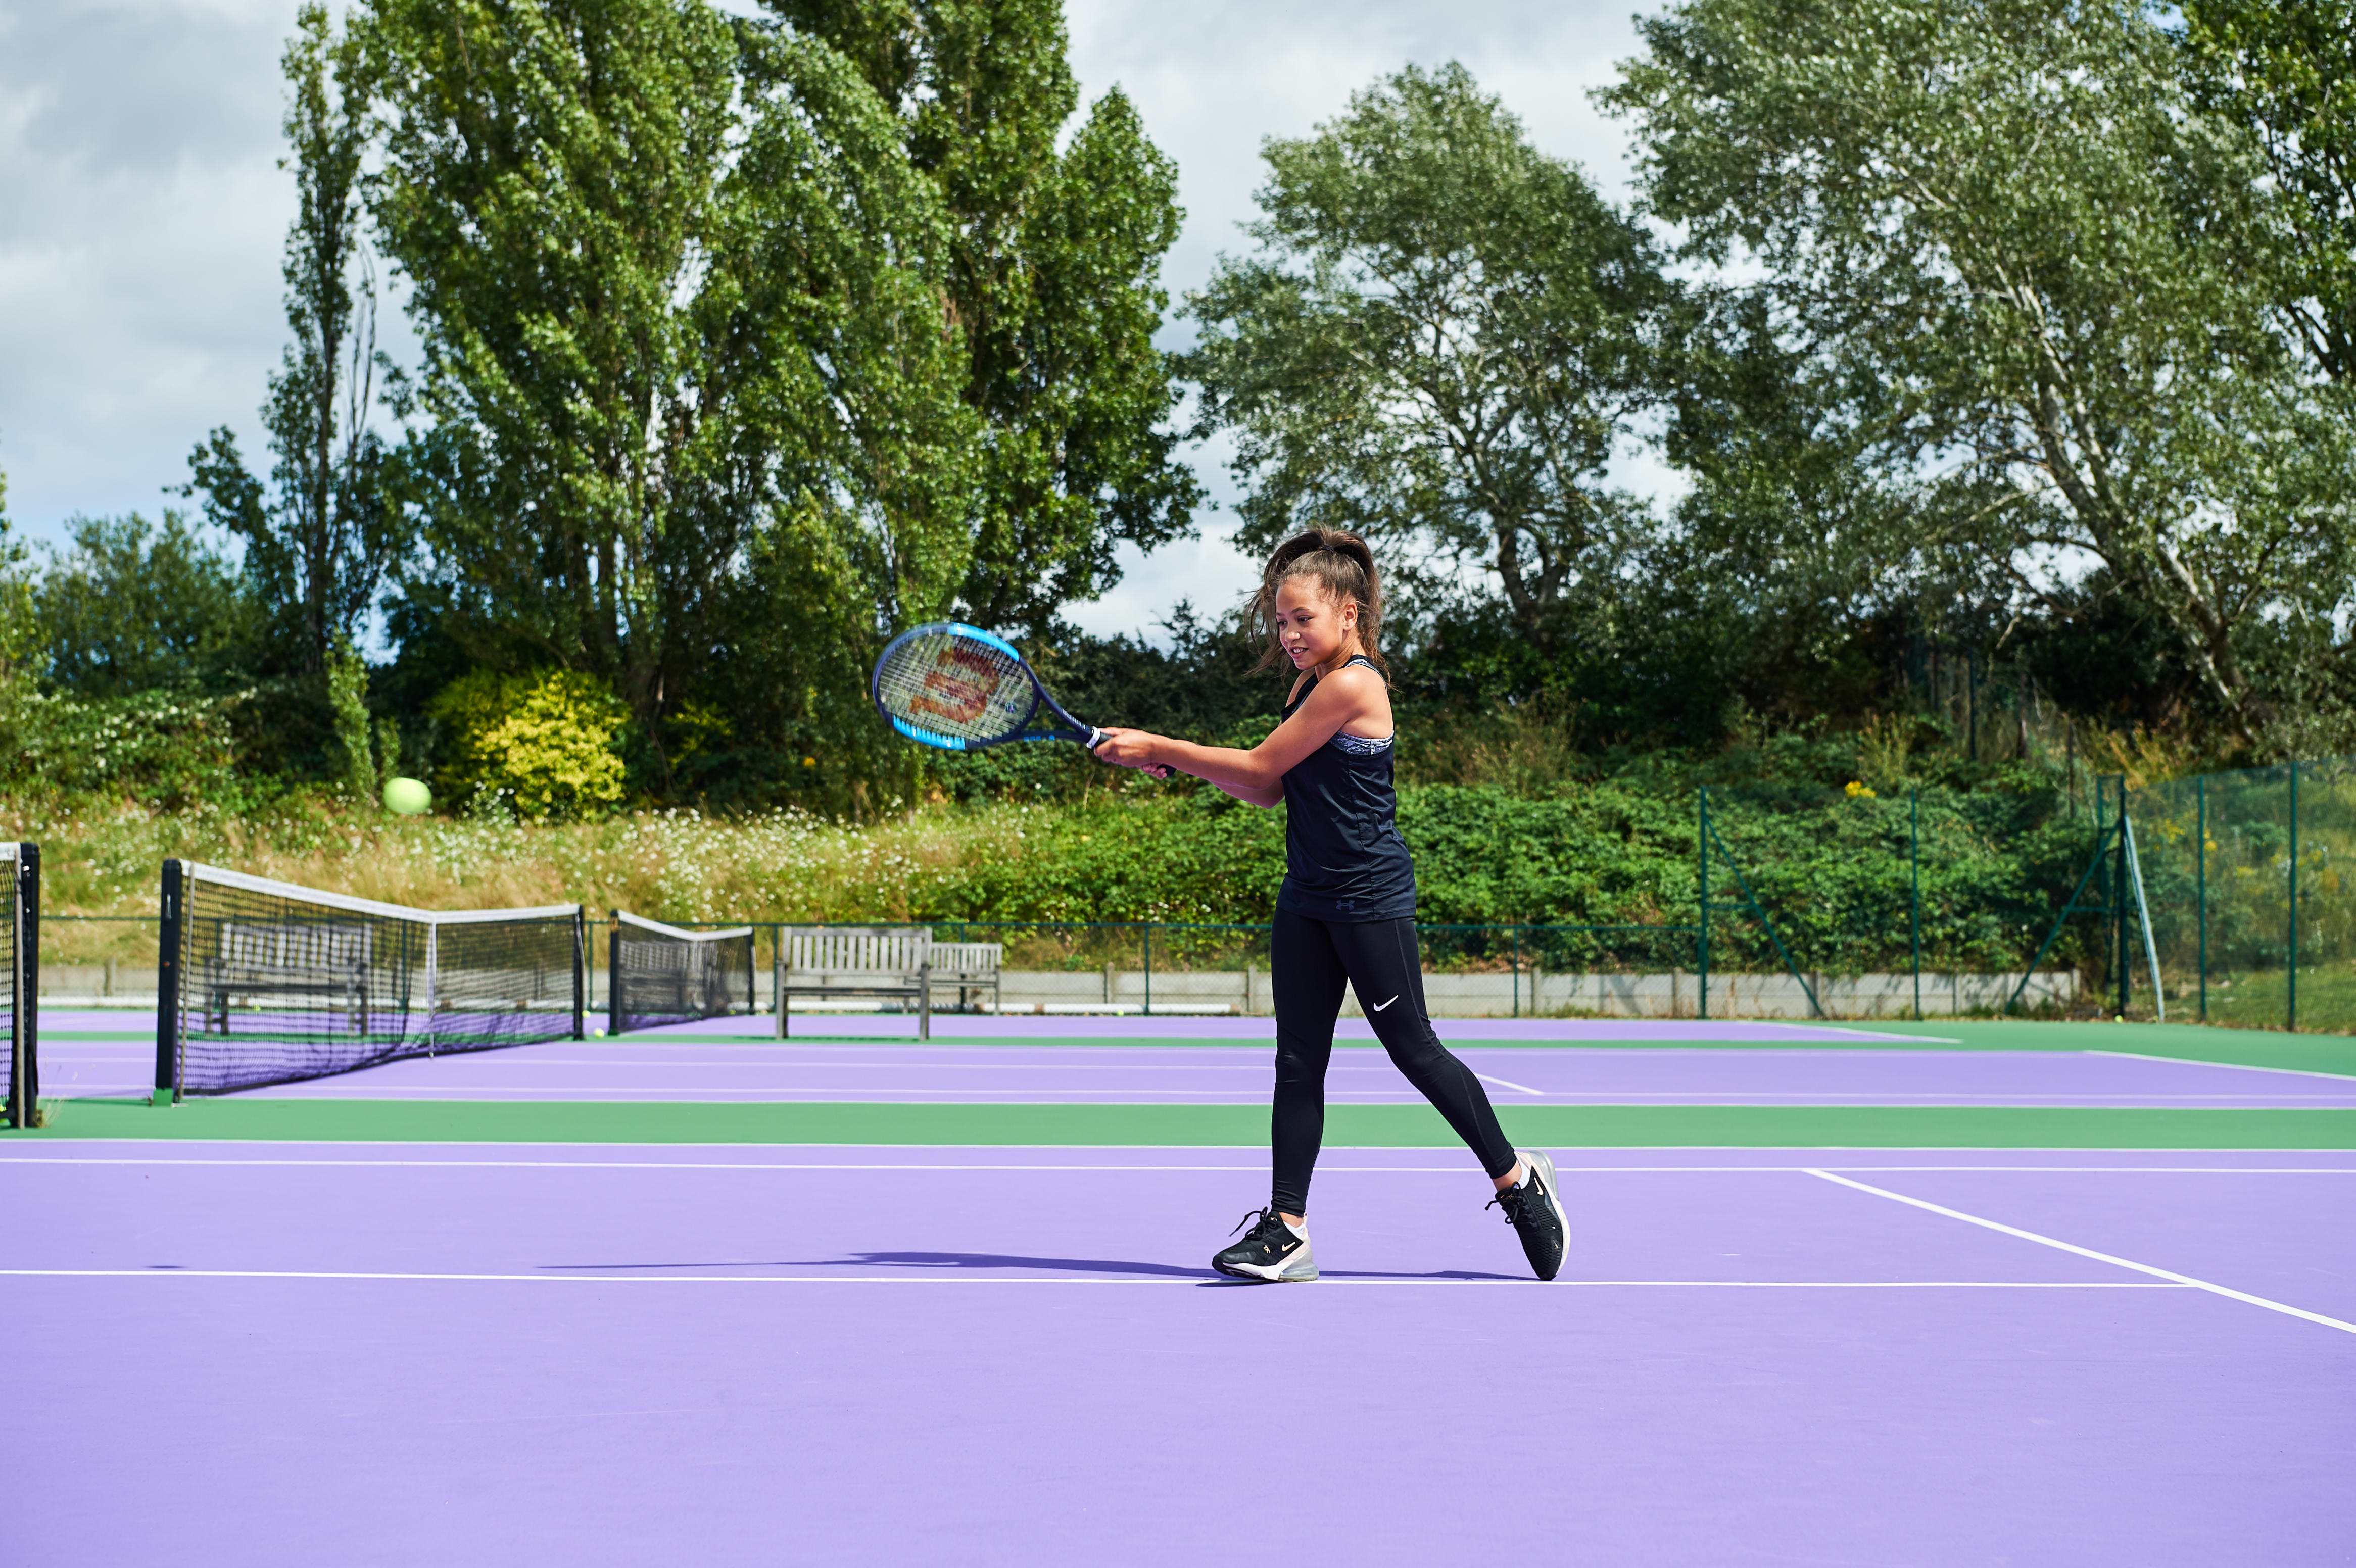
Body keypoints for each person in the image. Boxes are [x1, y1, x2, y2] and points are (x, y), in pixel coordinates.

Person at [1093, 529, 1568, 1283]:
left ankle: (1517, 1181)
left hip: (1370, 898)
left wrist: (1166, 742)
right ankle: (1287, 1230)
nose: (1287, 635)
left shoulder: (1354, 683)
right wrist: (1171, 761)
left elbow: (1258, 763)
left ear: (1348, 614)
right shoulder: (1306, 686)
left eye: (1301, 620)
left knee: (1414, 1051)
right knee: (1296, 1063)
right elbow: (1264, 786)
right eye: (1280, 622)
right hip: (1306, 898)